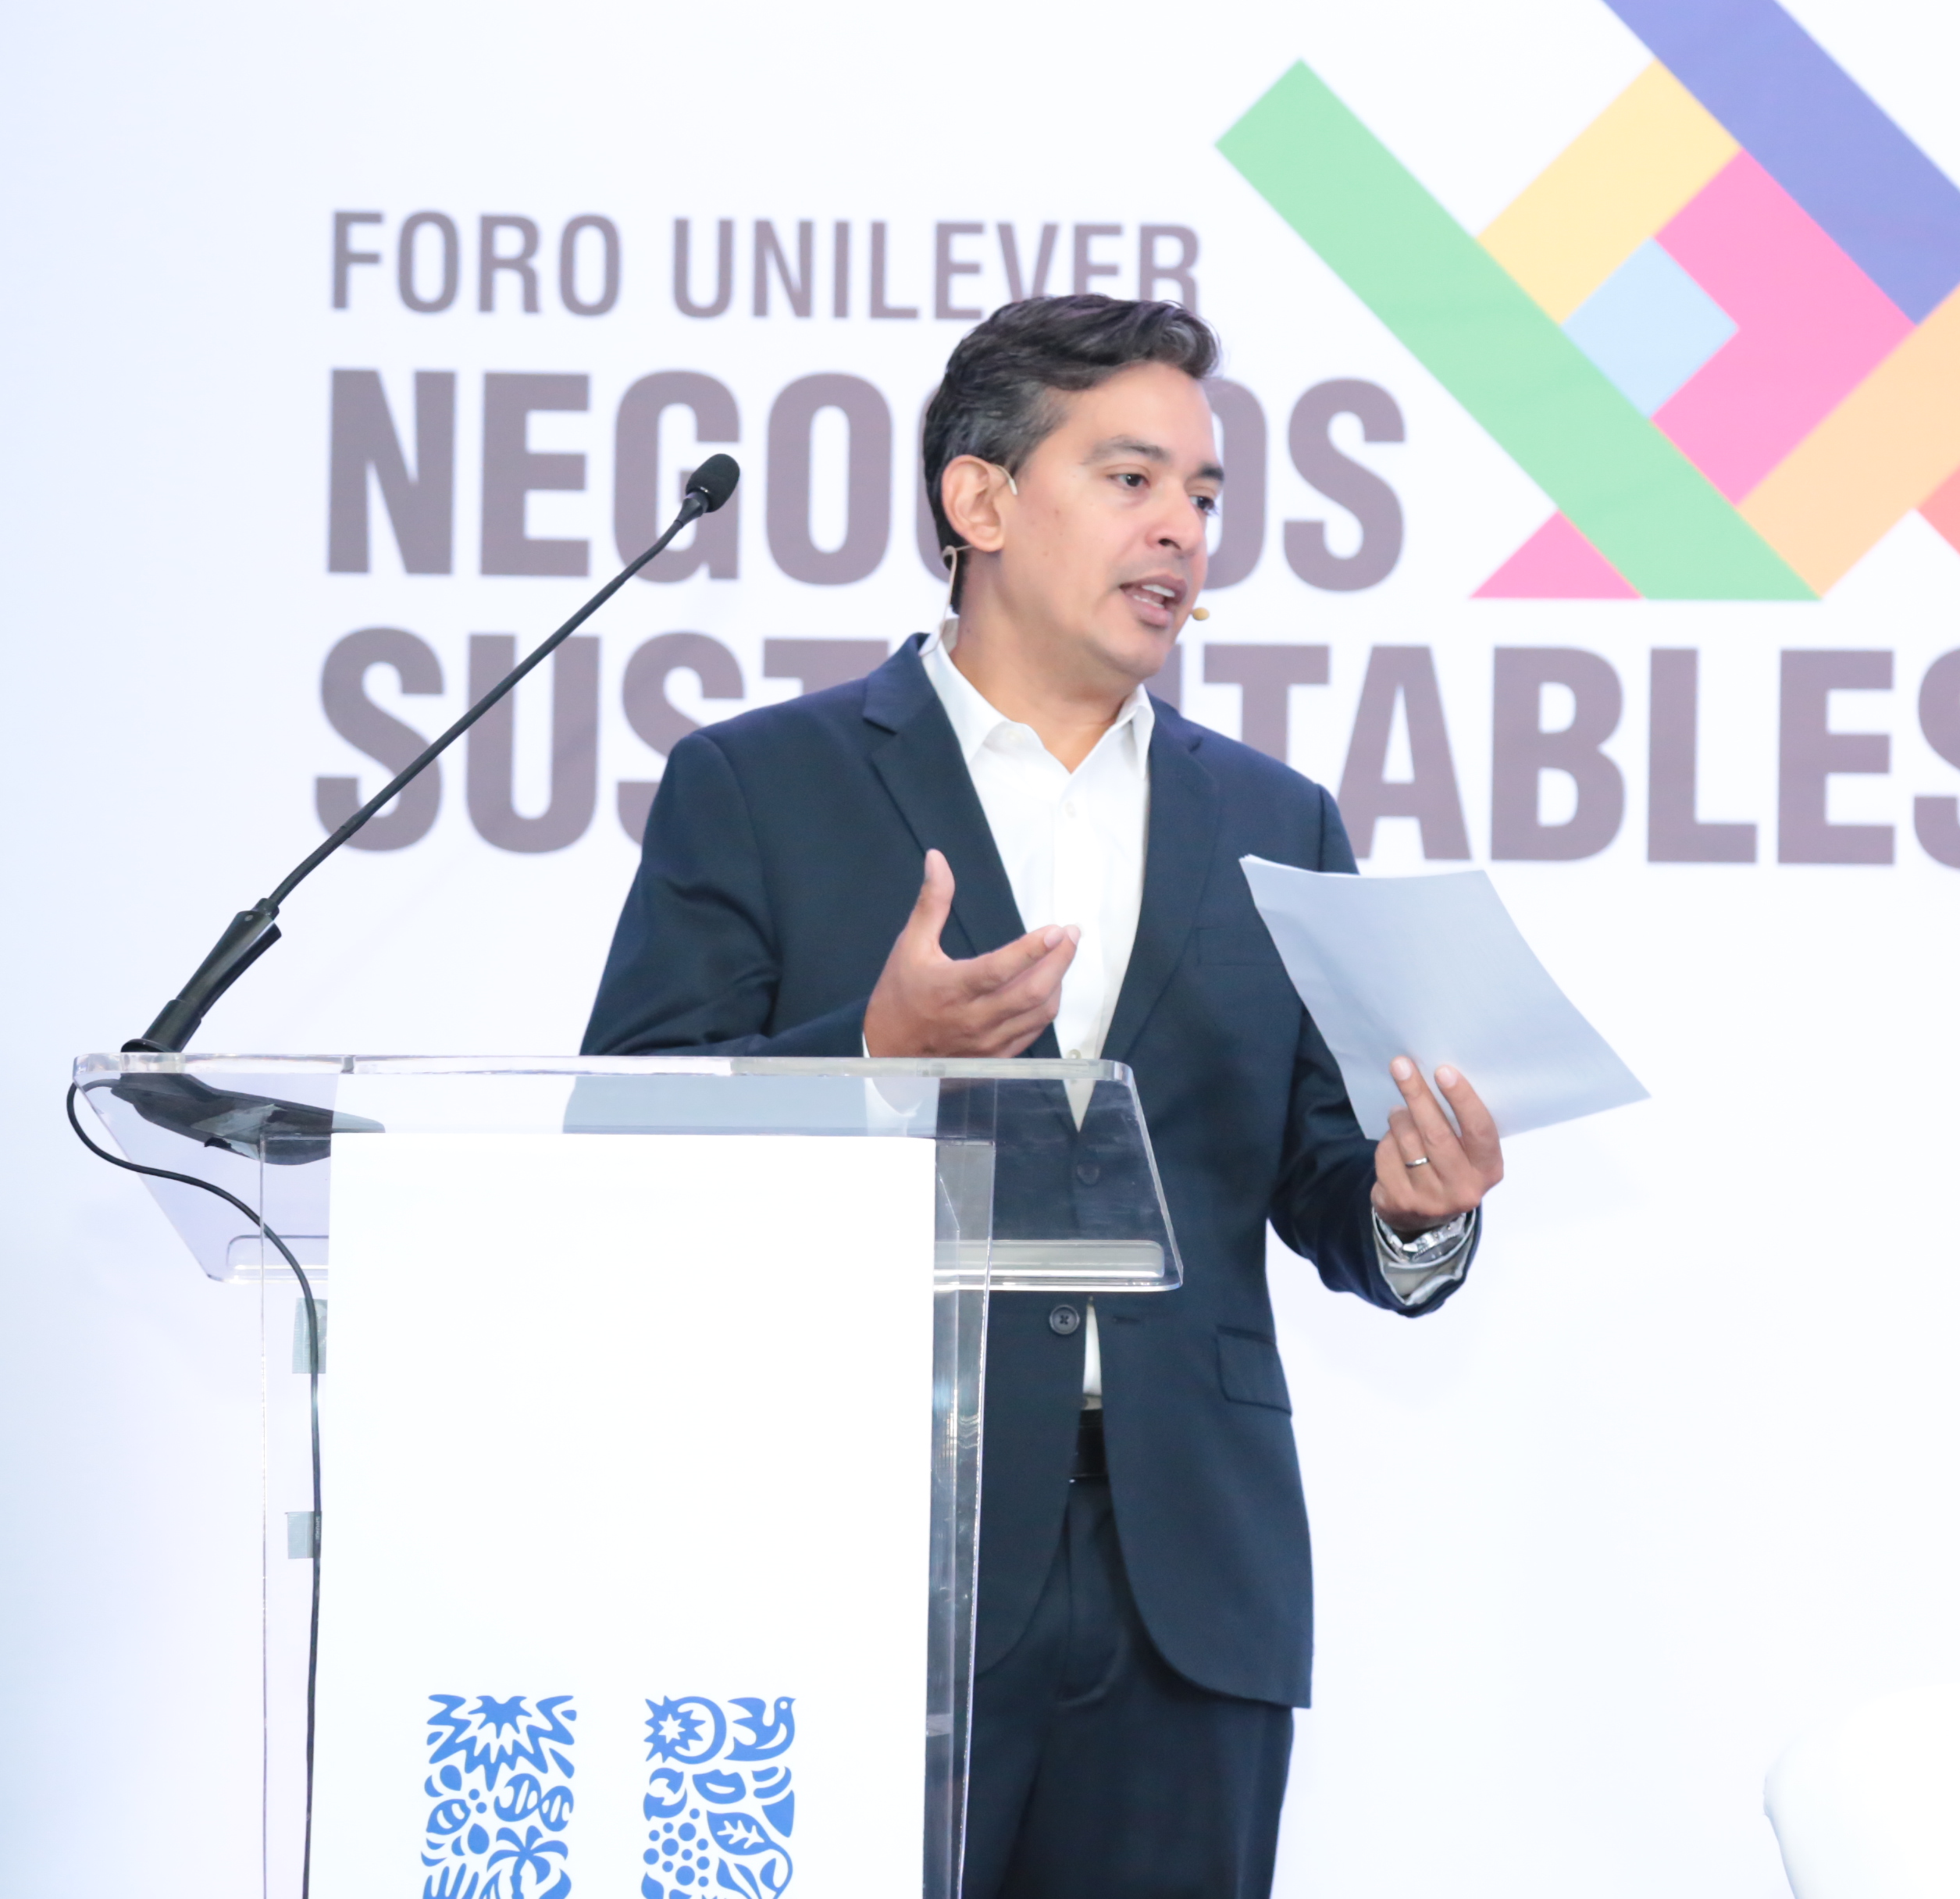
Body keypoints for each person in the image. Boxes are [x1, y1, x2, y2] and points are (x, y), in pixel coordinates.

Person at [581, 294, 1504, 1898]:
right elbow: (626, 1140)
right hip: (865, 1560)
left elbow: (1324, 1176)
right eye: (1132, 479)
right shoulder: (763, 783)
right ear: (981, 501)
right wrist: (874, 1058)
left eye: (1203, 494)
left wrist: (1411, 1210)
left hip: (1187, 1589)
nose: (1182, 531)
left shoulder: (1274, 817)